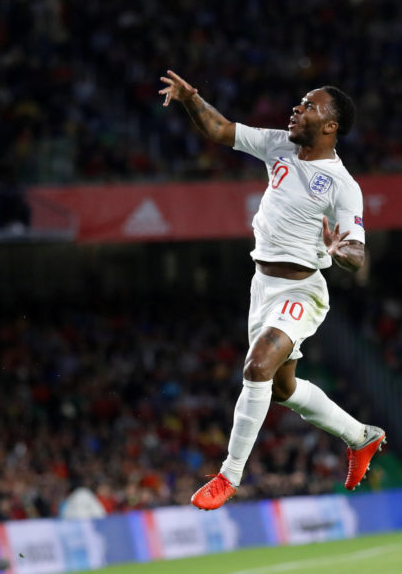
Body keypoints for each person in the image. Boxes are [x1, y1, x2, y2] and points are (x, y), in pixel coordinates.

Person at [158, 70, 386, 510]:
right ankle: (361, 436)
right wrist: (190, 99)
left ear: (330, 126)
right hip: (262, 287)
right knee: (282, 388)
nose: (297, 108)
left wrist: (340, 250)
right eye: (300, 101)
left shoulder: (343, 185)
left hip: (301, 291)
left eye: (309, 105)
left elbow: (357, 253)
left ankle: (229, 476)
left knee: (258, 365)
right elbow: (221, 129)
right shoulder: (280, 145)